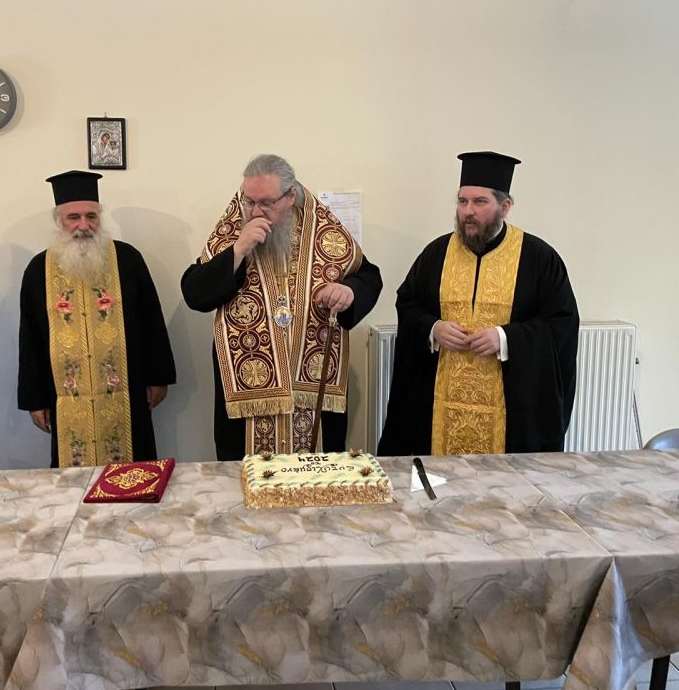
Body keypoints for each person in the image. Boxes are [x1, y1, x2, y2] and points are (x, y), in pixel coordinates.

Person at [181, 154, 382, 461]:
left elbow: (369, 277)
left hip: (312, 394)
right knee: (245, 481)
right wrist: (238, 250)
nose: (256, 211)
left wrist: (349, 291)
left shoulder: (323, 233)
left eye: (266, 202)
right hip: (248, 398)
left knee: (315, 480)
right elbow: (194, 293)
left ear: (290, 197)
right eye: (249, 201)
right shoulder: (233, 233)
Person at [378, 151, 579, 456]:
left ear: (505, 206)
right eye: (462, 201)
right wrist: (433, 328)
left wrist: (505, 338)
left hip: (511, 414)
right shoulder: (436, 253)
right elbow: (408, 303)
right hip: (439, 406)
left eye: (479, 202)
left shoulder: (538, 258)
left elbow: (561, 323)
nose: (467, 211)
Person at [18, 170, 176, 468]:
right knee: (73, 481)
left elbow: (151, 321)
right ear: (59, 220)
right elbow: (30, 338)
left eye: (91, 216)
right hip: (64, 397)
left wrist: (158, 378)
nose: (84, 226)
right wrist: (34, 399)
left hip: (128, 391)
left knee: (134, 473)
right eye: (74, 217)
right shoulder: (39, 269)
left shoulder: (128, 259)